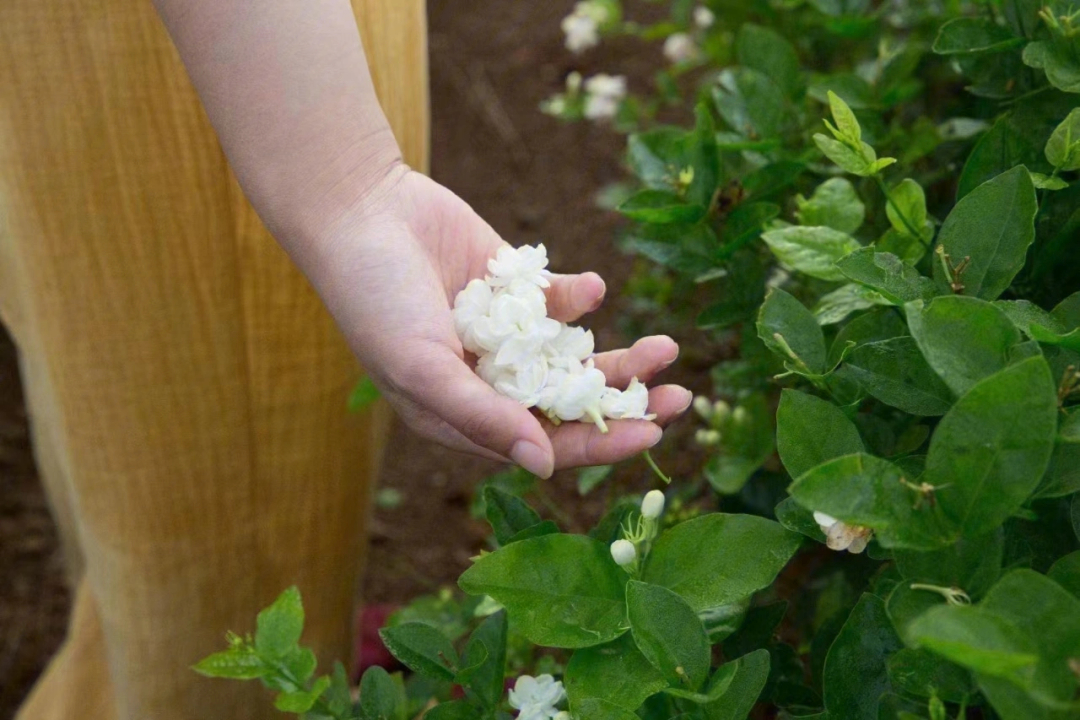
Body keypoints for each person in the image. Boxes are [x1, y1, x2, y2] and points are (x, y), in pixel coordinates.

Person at [0, 1, 690, 718]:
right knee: (231, 492)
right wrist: (346, 187)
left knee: (104, 407)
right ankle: (215, 677)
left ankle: (134, 639)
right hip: (219, 51)